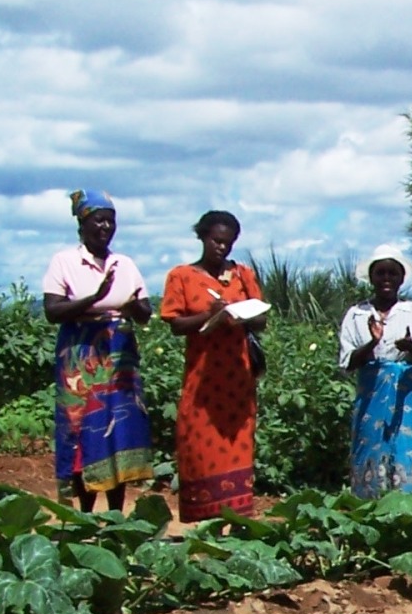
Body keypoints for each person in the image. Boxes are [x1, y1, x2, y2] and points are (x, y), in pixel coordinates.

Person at [41, 189, 155, 513]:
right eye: (98, 220)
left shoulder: (125, 264)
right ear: (82, 224)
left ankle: (117, 514)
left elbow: (145, 311)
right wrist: (95, 298)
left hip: (120, 359)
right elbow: (53, 311)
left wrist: (131, 305)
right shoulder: (64, 261)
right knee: (82, 432)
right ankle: (84, 515)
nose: (105, 227)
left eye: (110, 221)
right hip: (80, 357)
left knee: (118, 432)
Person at [162, 210, 264, 522]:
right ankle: (205, 517)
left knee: (237, 442)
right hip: (203, 377)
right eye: (216, 241)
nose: (222, 248)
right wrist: (210, 315)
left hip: (236, 377)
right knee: (198, 442)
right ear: (203, 238)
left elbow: (260, 319)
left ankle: (235, 517)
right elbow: (176, 324)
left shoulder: (243, 276)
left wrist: (237, 314)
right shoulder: (181, 276)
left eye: (228, 243)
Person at [338, 245, 412, 498]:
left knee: (407, 448)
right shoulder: (356, 314)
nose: (386, 279)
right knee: (371, 447)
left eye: (392, 274)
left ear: (401, 278)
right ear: (371, 277)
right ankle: (369, 506)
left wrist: (410, 347)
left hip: (408, 397)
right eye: (380, 273)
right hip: (371, 396)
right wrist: (372, 343)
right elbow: (348, 362)